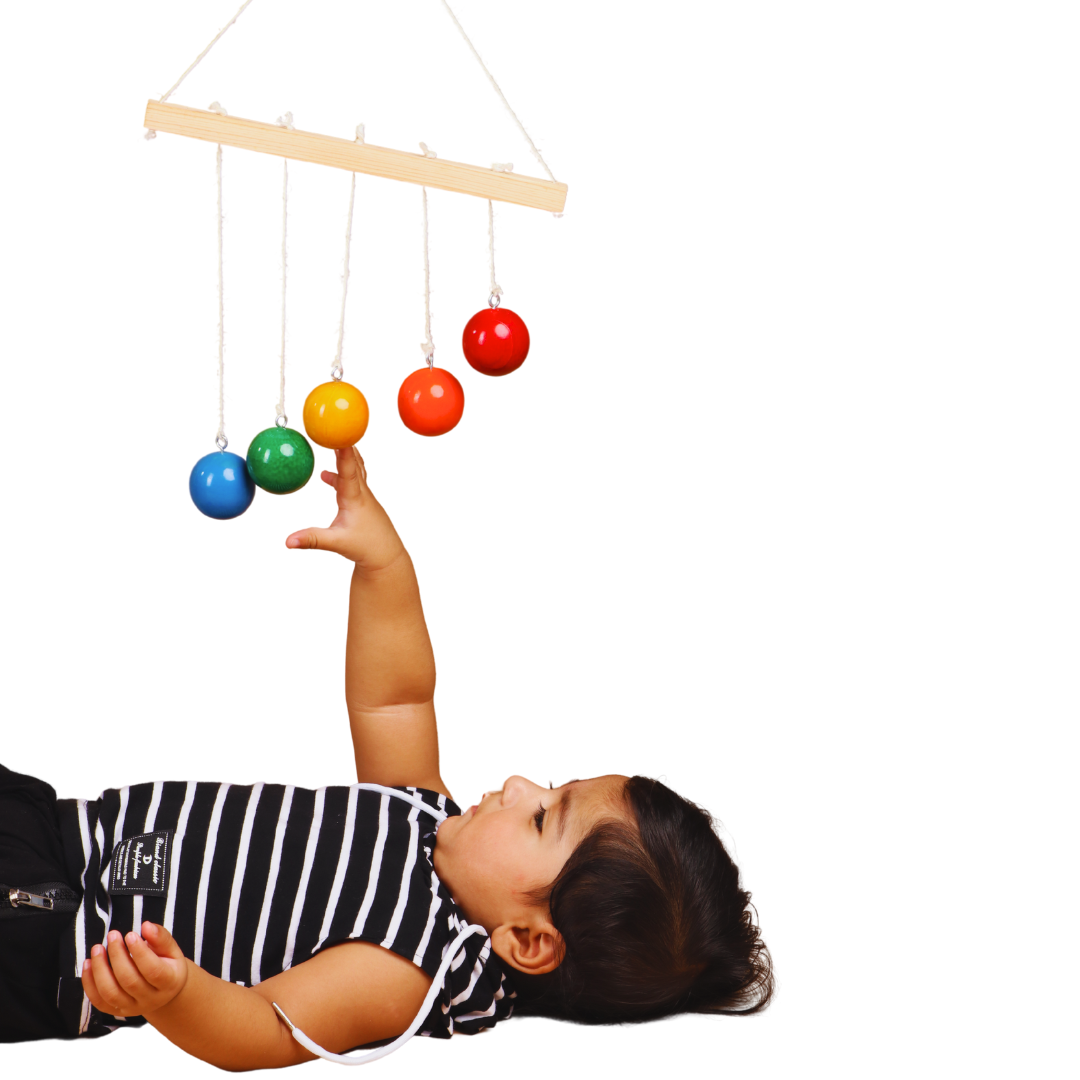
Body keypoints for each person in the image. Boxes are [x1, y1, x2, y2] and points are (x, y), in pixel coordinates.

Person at [0, 448, 773, 1065]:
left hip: (51, 934)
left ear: (526, 940)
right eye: (548, 785)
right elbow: (396, 697)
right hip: (58, 827)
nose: (514, 784)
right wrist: (384, 564)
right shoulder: (425, 815)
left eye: (543, 817)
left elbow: (265, 1030)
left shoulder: (412, 968)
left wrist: (172, 995)